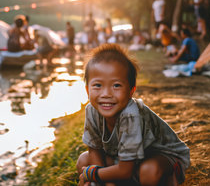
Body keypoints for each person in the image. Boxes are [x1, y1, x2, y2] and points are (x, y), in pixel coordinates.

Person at [77, 44, 190, 185]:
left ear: (131, 91)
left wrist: (92, 175)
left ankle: (171, 174)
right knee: (83, 160)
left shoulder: (130, 114)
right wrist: (98, 179)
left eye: (116, 85)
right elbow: (94, 151)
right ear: (88, 90)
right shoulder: (92, 111)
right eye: (98, 85)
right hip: (128, 160)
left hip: (160, 156)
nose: (106, 94)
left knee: (149, 172)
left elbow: (125, 171)